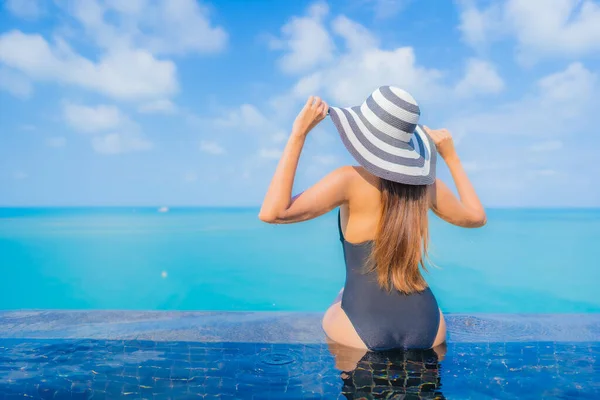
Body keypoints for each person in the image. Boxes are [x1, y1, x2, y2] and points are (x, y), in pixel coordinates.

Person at [259, 86, 485, 353]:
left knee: (342, 298)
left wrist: (299, 134)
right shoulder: (427, 187)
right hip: (428, 324)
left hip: (360, 325)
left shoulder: (348, 179)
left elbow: (273, 212)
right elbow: (476, 218)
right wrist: (451, 157)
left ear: (365, 136)